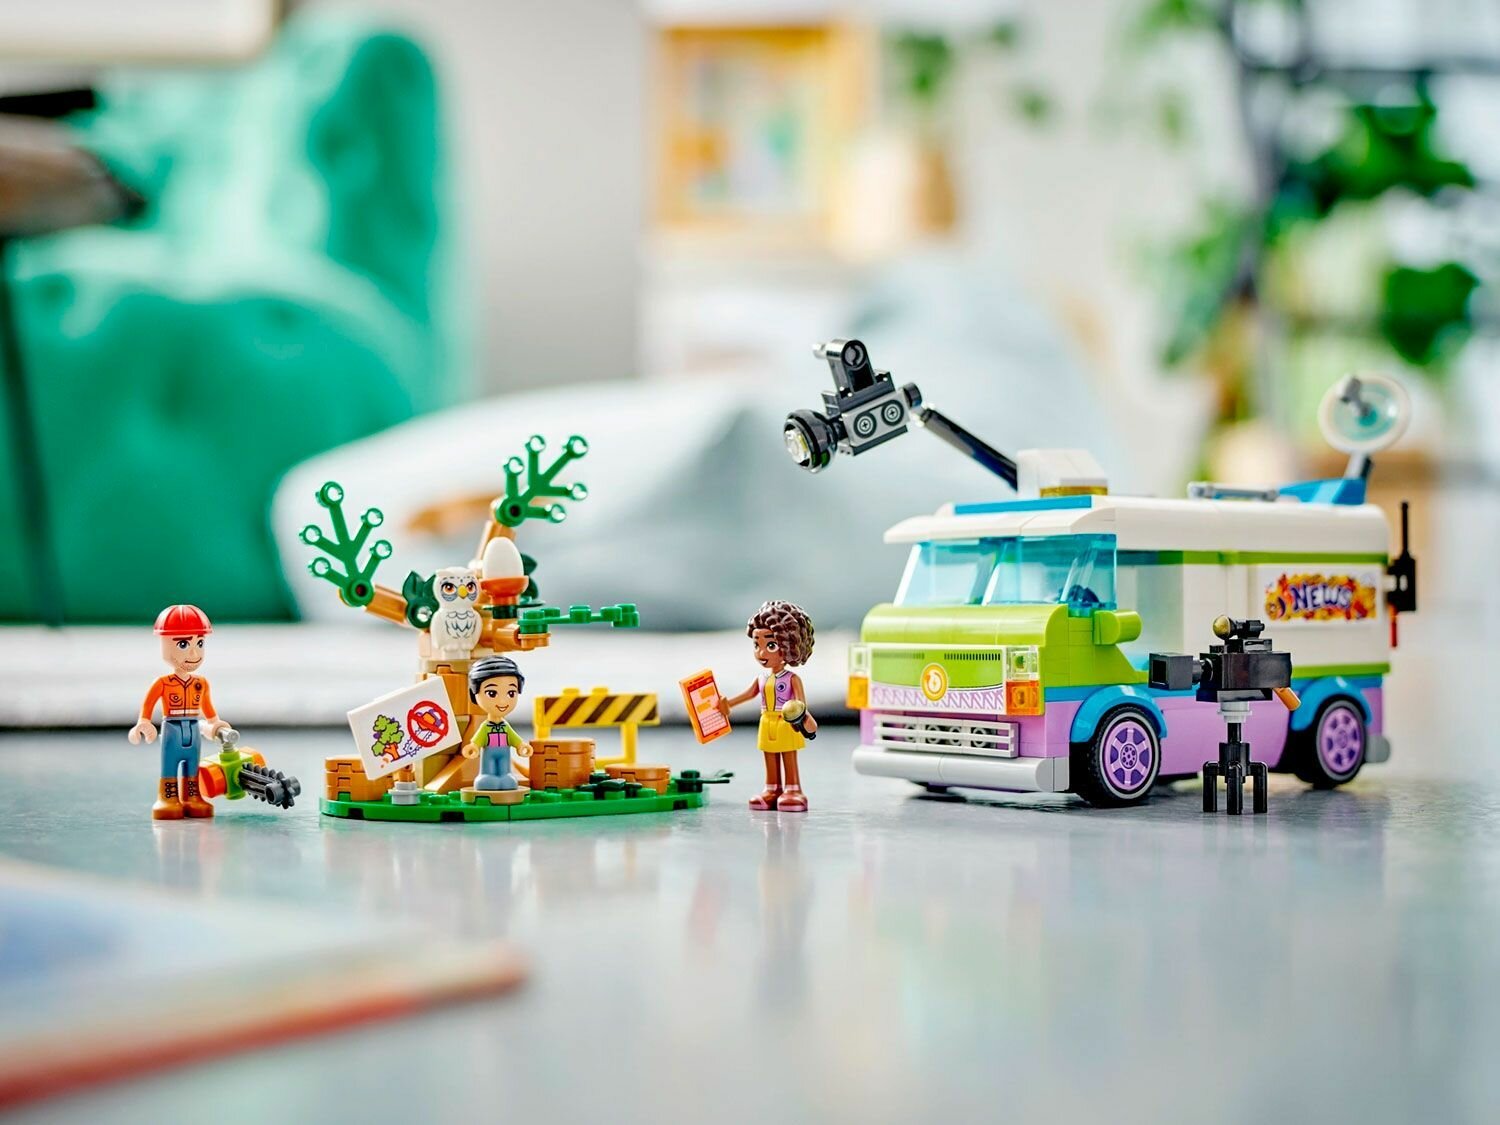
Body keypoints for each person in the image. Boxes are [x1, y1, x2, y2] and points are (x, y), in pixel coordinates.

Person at [128, 604, 232, 820]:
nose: (194, 653)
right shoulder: (163, 683)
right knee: (170, 764)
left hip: (193, 728)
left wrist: (216, 723)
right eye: (183, 644)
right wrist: (143, 722)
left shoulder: (201, 683)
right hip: (172, 729)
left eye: (200, 643)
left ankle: (192, 796)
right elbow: (148, 705)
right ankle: (167, 797)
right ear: (164, 644)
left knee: (192, 765)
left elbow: (209, 710)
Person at [717, 600, 817, 812]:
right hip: (766, 721)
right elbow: (749, 694)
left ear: (789, 646)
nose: (761, 653)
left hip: (786, 722)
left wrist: (805, 719)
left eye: (770, 645)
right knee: (769, 756)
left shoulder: (792, 679)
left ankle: (793, 789)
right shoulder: (762, 678)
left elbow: (801, 703)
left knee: (788, 756)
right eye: (757, 645)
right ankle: (772, 788)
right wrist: (728, 704)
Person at [465, 655, 533, 791]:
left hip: (504, 752)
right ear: (474, 694)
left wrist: (520, 745)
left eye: (511, 693)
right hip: (489, 752)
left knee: (505, 770)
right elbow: (478, 740)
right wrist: (474, 747)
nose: (502, 701)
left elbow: (513, 738)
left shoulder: (505, 726)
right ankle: (487, 777)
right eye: (492, 693)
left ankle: (505, 776)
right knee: (488, 769)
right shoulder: (486, 727)